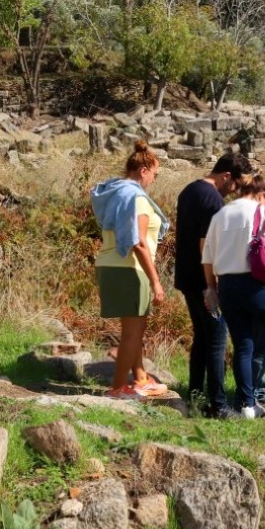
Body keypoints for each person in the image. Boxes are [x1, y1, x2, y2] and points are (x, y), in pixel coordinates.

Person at [202, 172, 265, 418]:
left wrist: (211, 288)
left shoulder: (220, 214)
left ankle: (247, 405)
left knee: (243, 345)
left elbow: (207, 257)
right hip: (256, 283)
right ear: (259, 194)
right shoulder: (263, 212)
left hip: (227, 286)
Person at [174, 151, 253, 417]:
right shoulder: (213, 201)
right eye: (236, 185)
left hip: (187, 277)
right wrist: (214, 286)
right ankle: (218, 405)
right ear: (227, 175)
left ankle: (195, 397)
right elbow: (207, 246)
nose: (235, 191)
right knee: (217, 340)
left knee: (202, 338)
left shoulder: (189, 191)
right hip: (204, 282)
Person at [91, 141, 171, 400]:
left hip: (111, 264)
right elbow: (137, 241)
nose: (153, 182)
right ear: (144, 170)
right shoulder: (135, 197)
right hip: (130, 269)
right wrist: (156, 280)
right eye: (155, 175)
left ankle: (139, 379)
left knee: (133, 330)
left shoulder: (115, 192)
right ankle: (117, 389)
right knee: (133, 333)